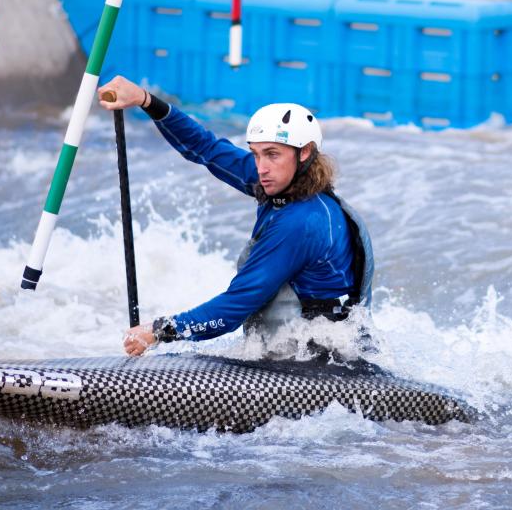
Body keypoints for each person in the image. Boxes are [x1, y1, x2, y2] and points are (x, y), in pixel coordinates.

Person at [96, 76, 374, 361]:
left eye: (272, 155)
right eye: (256, 154)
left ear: (304, 153)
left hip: (320, 364)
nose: (261, 168)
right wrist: (145, 99)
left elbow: (235, 306)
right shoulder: (282, 182)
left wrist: (158, 331)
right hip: (294, 353)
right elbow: (206, 148)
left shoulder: (302, 223)